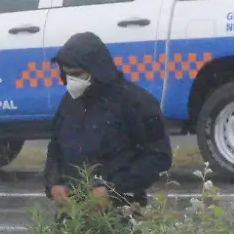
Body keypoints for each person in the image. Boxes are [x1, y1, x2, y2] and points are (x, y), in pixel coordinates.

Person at [43, 32, 173, 215]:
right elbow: (56, 148)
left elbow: (158, 157)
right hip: (73, 216)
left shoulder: (135, 103)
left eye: (77, 74)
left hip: (121, 213)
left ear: (96, 70)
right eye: (66, 74)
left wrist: (112, 190)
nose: (72, 81)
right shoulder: (70, 102)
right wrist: (53, 184)